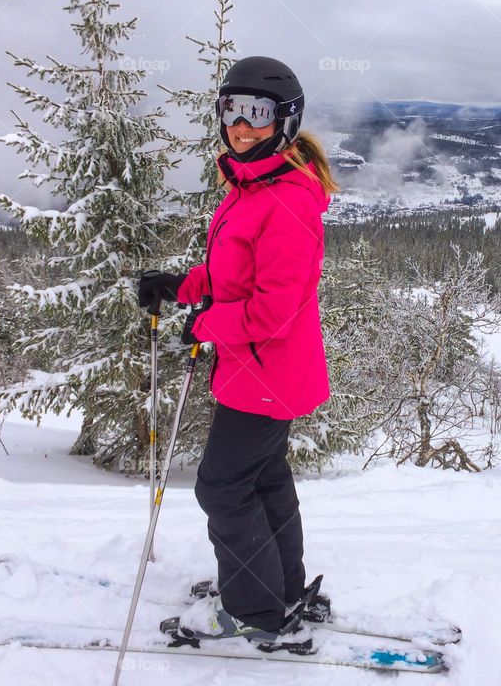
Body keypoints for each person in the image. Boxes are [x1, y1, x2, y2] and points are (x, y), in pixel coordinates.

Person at [137, 56, 339, 649]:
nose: (240, 125)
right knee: (262, 478)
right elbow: (235, 278)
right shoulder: (255, 187)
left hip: (267, 373)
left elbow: (271, 312)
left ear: (284, 121)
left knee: (221, 487)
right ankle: (279, 589)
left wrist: (206, 327)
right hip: (261, 373)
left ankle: (254, 611)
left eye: (256, 113)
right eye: (231, 109)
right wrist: (183, 287)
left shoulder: (285, 201)